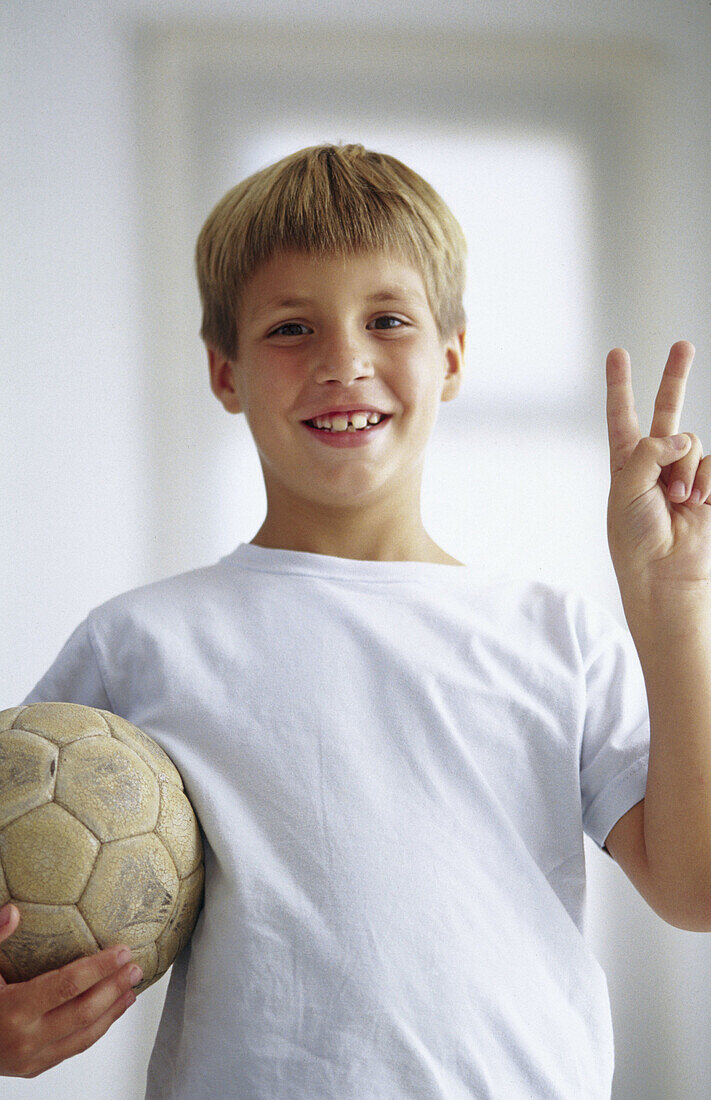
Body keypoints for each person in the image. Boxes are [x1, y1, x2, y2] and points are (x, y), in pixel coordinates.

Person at [1, 143, 710, 1098]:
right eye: (292, 328)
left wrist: (670, 602)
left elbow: (694, 890)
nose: (343, 361)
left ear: (451, 357)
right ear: (225, 371)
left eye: (387, 320)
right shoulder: (139, 641)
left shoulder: (552, 634)